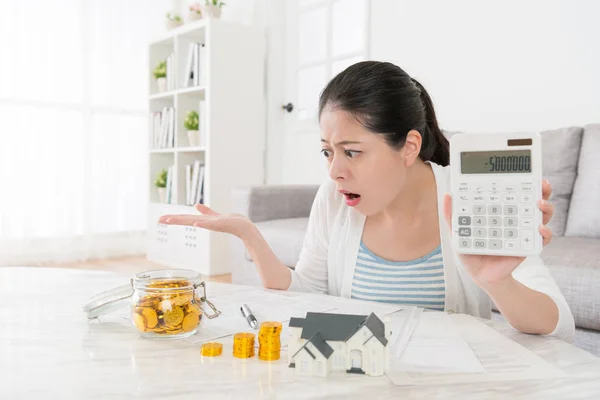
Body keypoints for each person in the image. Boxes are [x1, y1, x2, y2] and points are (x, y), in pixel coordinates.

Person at [159, 61, 575, 341]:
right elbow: (306, 292)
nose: (334, 170)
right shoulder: (334, 200)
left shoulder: (468, 197)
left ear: (409, 146)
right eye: (328, 151)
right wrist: (249, 235)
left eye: (352, 151)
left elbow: (560, 327)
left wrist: (496, 282)